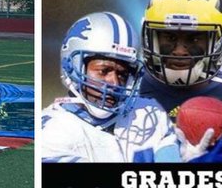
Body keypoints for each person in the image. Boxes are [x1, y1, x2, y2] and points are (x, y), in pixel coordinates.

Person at [42, 12, 212, 163]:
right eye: (103, 71)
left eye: (122, 74)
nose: (114, 82)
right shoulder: (53, 130)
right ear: (74, 67)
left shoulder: (148, 113)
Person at [138, 0, 222, 113]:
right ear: (152, 38)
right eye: (170, 37)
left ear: (216, 41)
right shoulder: (131, 86)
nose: (180, 51)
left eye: (194, 38)